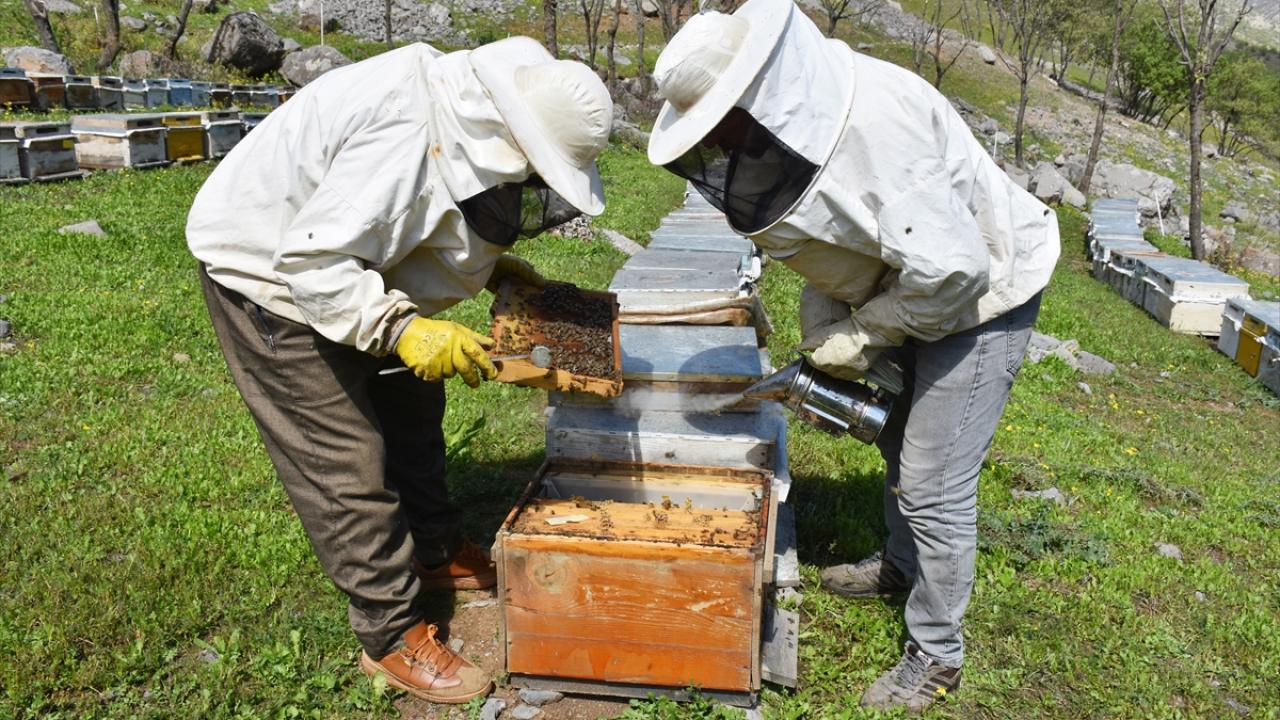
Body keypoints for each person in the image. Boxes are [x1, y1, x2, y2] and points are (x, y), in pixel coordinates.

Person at [646, 0, 1060, 711]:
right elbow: (840, 236)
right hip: (916, 281)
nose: (718, 145)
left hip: (987, 291)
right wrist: (825, 313)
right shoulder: (801, 123)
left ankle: (936, 655)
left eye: (721, 124)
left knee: (934, 480)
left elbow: (955, 273)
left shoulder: (876, 128)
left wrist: (864, 334)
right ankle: (902, 565)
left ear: (756, 97)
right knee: (896, 442)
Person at [186, 37, 613, 704]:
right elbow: (314, 264)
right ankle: (389, 635)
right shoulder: (403, 140)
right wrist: (402, 329)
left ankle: (434, 550)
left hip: (356, 267)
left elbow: (418, 221)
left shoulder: (467, 120)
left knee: (414, 421)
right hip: (272, 273)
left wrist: (491, 269)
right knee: (345, 462)